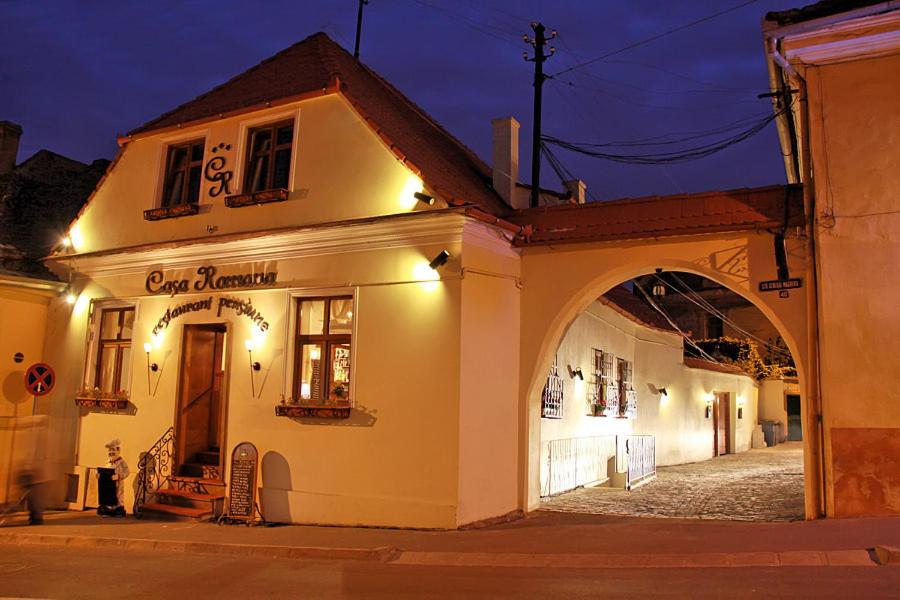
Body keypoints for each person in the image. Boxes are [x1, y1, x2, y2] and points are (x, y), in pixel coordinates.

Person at [11, 415, 49, 525]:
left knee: (30, 497)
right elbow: (33, 453)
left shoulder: (34, 434)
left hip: (31, 471)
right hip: (32, 471)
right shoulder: (38, 434)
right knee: (32, 497)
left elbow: (32, 453)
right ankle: (35, 518)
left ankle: (35, 517)